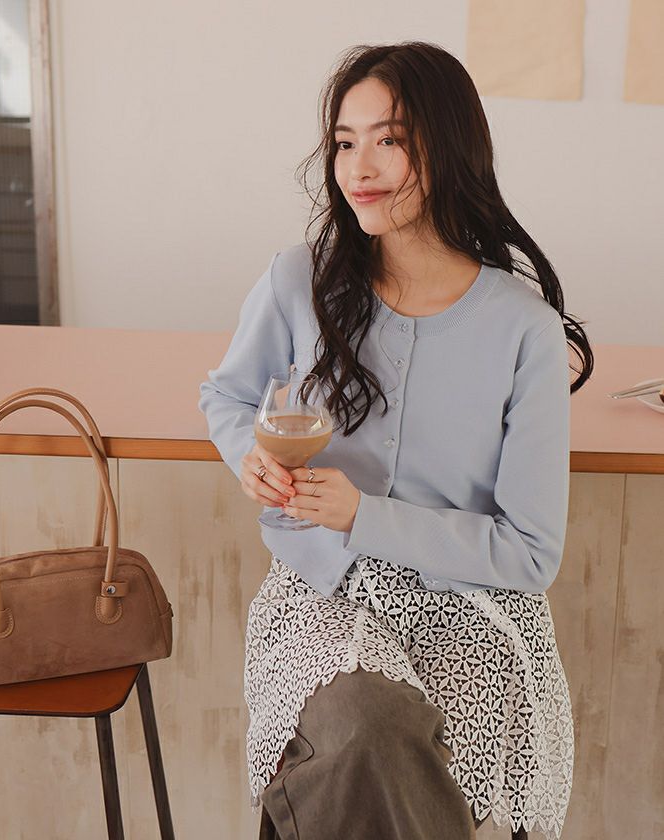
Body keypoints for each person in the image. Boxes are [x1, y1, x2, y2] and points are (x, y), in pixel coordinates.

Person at [199, 41, 593, 840]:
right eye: (346, 142)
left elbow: (530, 553)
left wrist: (364, 515)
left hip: (471, 609)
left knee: (382, 751)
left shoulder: (524, 331)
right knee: (364, 724)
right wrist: (250, 454)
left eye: (390, 139)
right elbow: (229, 395)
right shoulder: (299, 280)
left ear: (447, 147)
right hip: (320, 593)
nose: (360, 167)